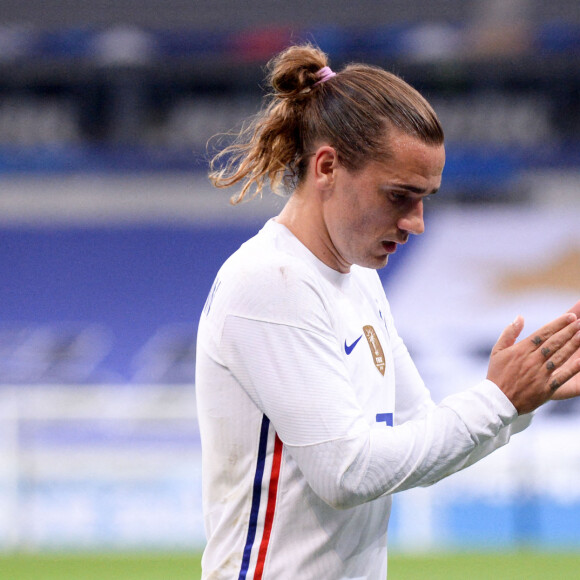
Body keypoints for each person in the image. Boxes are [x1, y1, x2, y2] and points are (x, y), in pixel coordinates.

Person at [195, 43, 580, 579]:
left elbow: (419, 437)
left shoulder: (360, 281)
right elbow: (346, 474)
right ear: (327, 166)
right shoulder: (269, 283)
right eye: (400, 196)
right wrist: (497, 399)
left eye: (426, 198)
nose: (417, 222)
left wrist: (515, 402)